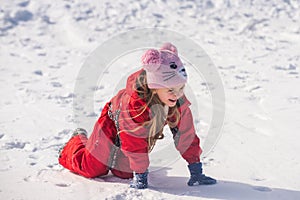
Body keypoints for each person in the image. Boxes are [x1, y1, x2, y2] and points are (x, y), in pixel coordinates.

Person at [58, 42, 216, 189]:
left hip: (131, 135)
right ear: (155, 88)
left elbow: (186, 136)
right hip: (112, 122)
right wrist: (141, 176)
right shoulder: (135, 105)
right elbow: (134, 141)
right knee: (92, 168)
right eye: (171, 90)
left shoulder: (176, 101)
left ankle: (114, 156)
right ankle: (77, 140)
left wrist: (196, 170)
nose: (177, 94)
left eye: (181, 88)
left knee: (124, 173)